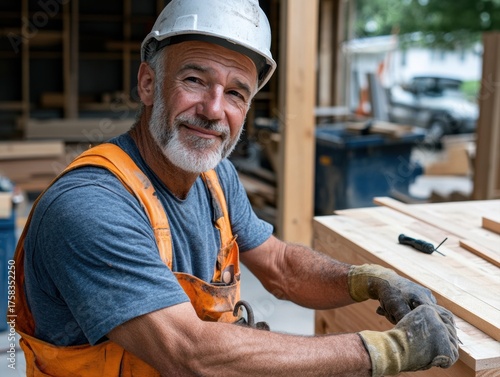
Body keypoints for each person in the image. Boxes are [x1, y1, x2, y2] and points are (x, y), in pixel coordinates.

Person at [13, 0, 459, 376]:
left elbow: (282, 267)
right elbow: (188, 353)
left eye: (236, 93)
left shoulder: (215, 178)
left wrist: (368, 281)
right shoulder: (91, 207)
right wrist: (386, 350)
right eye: (194, 80)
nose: (213, 110)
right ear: (148, 83)